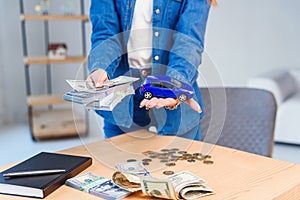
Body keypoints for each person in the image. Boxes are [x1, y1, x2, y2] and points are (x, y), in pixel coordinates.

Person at [88, 0, 216, 140]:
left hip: (171, 91)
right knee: (118, 159)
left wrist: (175, 84)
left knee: (181, 161)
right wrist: (100, 67)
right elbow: (105, 33)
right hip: (123, 95)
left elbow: (188, 42)